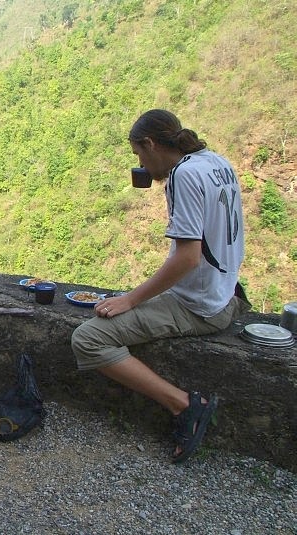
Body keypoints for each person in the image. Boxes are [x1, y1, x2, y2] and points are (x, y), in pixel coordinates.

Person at [71, 109, 250, 463]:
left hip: (199, 304)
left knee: (88, 339)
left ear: (150, 144)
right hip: (224, 290)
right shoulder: (216, 162)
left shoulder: (181, 176)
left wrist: (131, 300)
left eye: (138, 154)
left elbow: (187, 258)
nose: (139, 162)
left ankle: (185, 405)